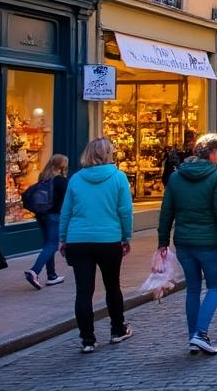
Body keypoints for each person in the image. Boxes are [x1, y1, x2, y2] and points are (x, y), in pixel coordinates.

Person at [157, 133, 217, 355]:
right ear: (211, 152)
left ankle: (194, 337)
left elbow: (166, 212)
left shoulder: (176, 176)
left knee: (192, 289)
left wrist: (162, 242)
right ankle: (200, 333)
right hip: (209, 242)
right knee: (215, 286)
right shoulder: (216, 177)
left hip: (184, 242)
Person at [59, 137, 135, 352]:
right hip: (109, 239)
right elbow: (125, 211)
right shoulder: (118, 177)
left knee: (83, 291)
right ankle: (118, 329)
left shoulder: (76, 179)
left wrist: (63, 238)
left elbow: (66, 212)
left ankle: (87, 339)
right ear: (109, 153)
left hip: (79, 239)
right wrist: (126, 236)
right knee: (112, 286)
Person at [25, 153, 69, 289]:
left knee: (48, 244)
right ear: (62, 166)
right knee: (53, 244)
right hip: (54, 215)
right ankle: (34, 271)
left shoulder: (43, 177)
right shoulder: (60, 180)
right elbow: (68, 199)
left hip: (41, 215)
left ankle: (52, 275)